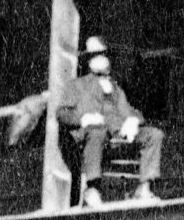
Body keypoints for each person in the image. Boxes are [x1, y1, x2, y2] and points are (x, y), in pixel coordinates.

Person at [58, 35, 165, 205]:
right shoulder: (77, 86)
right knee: (96, 130)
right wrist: (83, 118)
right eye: (95, 56)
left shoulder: (115, 89)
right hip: (92, 142)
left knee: (154, 134)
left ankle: (143, 188)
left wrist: (132, 121)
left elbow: (131, 111)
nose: (100, 59)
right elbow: (62, 113)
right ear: (88, 61)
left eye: (103, 54)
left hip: (118, 139)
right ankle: (92, 189)